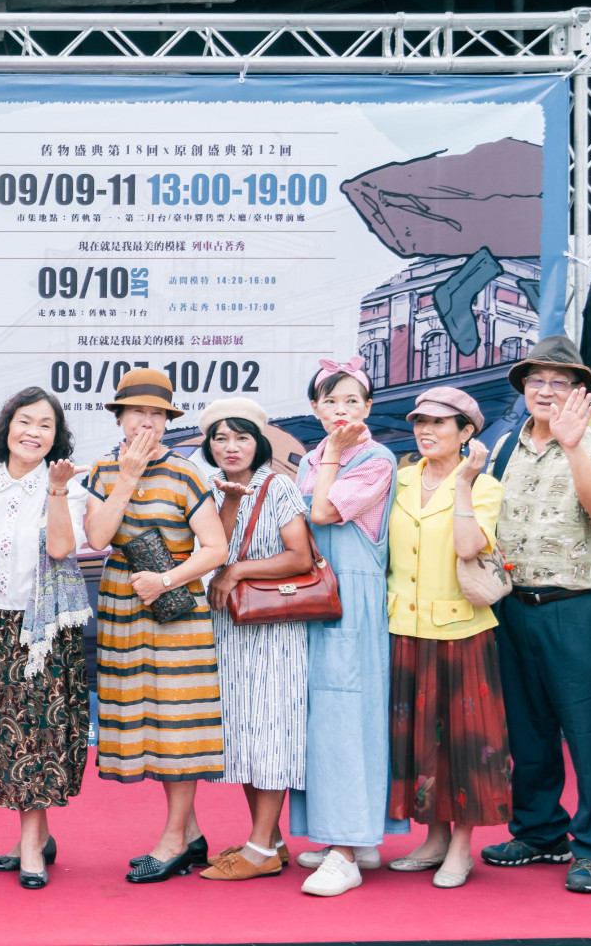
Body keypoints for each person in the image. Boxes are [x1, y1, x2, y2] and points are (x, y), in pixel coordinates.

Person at [481, 336, 591, 894]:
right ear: (523, 388)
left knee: (588, 733)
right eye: (536, 380)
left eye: (559, 382)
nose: (545, 390)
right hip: (513, 605)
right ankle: (540, 831)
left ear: (580, 393)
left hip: (577, 607)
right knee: (526, 728)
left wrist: (573, 447)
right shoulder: (504, 447)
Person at [81, 367, 230, 884]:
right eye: (137, 412)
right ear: (119, 418)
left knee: (178, 720)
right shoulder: (103, 472)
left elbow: (216, 548)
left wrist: (165, 580)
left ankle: (172, 842)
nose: (147, 421)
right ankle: (191, 835)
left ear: (168, 422)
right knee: (150, 720)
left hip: (176, 610)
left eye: (157, 414)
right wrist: (127, 477)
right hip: (123, 606)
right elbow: (98, 538)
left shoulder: (187, 474)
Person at [0, 387, 89, 890]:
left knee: (38, 736)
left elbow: (60, 548)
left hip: (43, 632)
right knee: (7, 739)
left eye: (45, 425)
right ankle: (38, 836)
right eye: (25, 421)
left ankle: (31, 847)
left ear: (56, 437)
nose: (33, 432)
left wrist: (56, 491)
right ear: (6, 426)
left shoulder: (70, 487)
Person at [289, 359, 408, 898]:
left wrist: (334, 457)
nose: (341, 411)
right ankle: (348, 836)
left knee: (349, 714)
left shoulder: (376, 458)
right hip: (317, 588)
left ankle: (347, 851)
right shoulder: (312, 456)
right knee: (321, 717)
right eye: (331, 401)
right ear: (314, 408)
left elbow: (322, 513)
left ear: (369, 407)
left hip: (353, 596)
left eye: (352, 401)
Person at [386, 387, 510, 890]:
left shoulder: (485, 487)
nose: (426, 430)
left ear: (467, 433)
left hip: (461, 631)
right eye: (420, 421)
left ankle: (461, 846)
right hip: (403, 628)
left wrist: (462, 483)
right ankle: (434, 838)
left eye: (440, 423)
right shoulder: (398, 479)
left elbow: (467, 546)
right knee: (420, 741)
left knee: (465, 742)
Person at [193, 398, 314, 883]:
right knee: (243, 735)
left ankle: (260, 847)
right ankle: (271, 842)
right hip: (228, 627)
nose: (231, 446)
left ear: (259, 442)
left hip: (274, 628)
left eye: (241, 437)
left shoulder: (277, 485)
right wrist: (228, 502)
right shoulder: (208, 488)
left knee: (269, 732)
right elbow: (213, 551)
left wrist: (239, 570)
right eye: (220, 438)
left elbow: (299, 556)